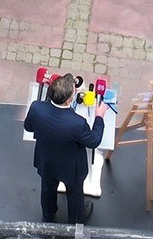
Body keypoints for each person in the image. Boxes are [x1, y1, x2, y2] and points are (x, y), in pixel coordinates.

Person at [23, 71, 105, 225]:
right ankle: (75, 221)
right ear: (69, 101)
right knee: (74, 195)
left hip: (46, 162)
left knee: (47, 189)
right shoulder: (78, 123)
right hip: (71, 169)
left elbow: (28, 127)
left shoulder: (36, 108)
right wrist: (99, 116)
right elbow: (94, 141)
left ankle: (48, 217)